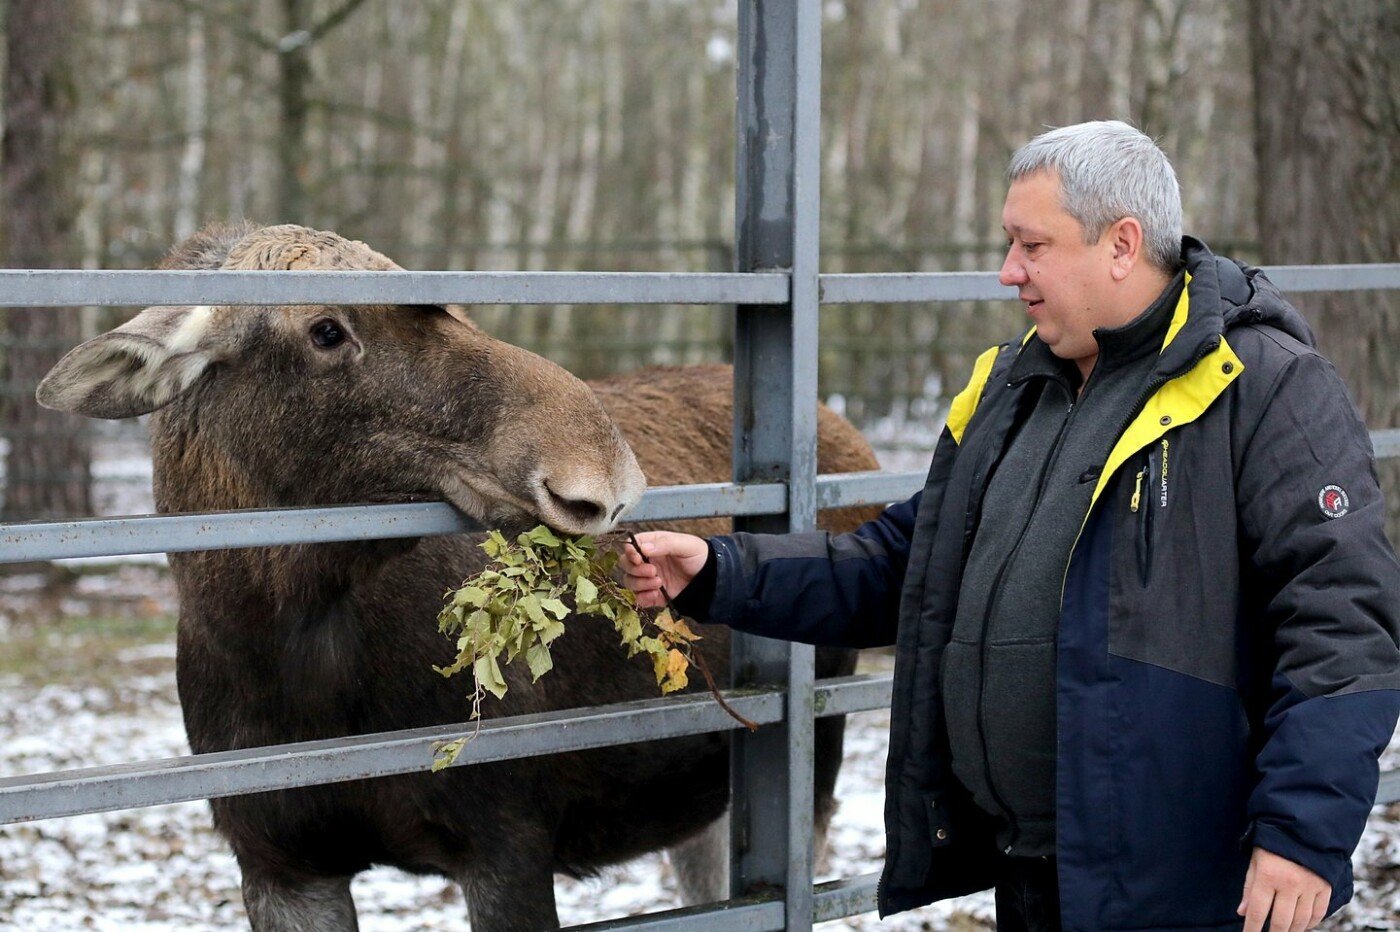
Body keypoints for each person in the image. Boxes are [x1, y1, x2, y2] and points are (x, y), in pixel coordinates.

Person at [623, 121, 1400, 931]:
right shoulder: (1011, 391)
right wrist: (719, 571)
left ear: (1123, 244)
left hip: (1188, 888)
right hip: (1032, 873)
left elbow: (1343, 631)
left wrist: (1301, 835)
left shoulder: (1266, 388)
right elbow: (902, 568)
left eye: (1032, 246)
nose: (1008, 273)